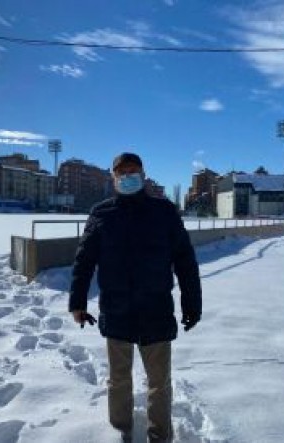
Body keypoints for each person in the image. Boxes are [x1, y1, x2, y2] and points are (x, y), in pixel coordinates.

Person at [69, 152, 202, 443]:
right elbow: (84, 260)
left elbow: (185, 260)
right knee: (118, 379)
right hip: (116, 311)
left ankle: (160, 435)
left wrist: (192, 302)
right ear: (113, 177)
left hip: (156, 311)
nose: (128, 176)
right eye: (122, 172)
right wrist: (77, 302)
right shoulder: (101, 213)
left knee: (159, 383)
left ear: (142, 174)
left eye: (133, 171)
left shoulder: (164, 211)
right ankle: (118, 432)